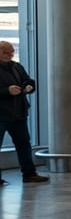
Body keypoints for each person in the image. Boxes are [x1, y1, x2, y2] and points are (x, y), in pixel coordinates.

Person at [0, 41, 48, 184]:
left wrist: (28, 87)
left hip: (18, 113)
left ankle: (29, 174)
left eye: (11, 52)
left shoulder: (16, 67)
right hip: (1, 115)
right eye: (5, 52)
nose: (9, 55)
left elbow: (29, 81)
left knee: (24, 144)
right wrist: (7, 91)